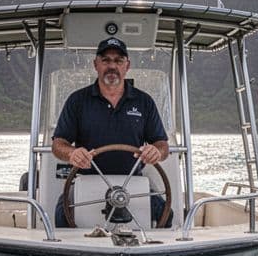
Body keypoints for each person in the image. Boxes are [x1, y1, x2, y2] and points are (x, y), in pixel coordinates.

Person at [51, 36, 171, 227]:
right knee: (61, 215)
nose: (112, 66)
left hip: (135, 181)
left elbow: (162, 144)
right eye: (106, 60)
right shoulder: (77, 101)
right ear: (96, 64)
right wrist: (72, 153)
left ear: (127, 65)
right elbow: (58, 144)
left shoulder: (144, 102)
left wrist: (157, 152)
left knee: (167, 214)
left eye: (118, 60)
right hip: (87, 179)